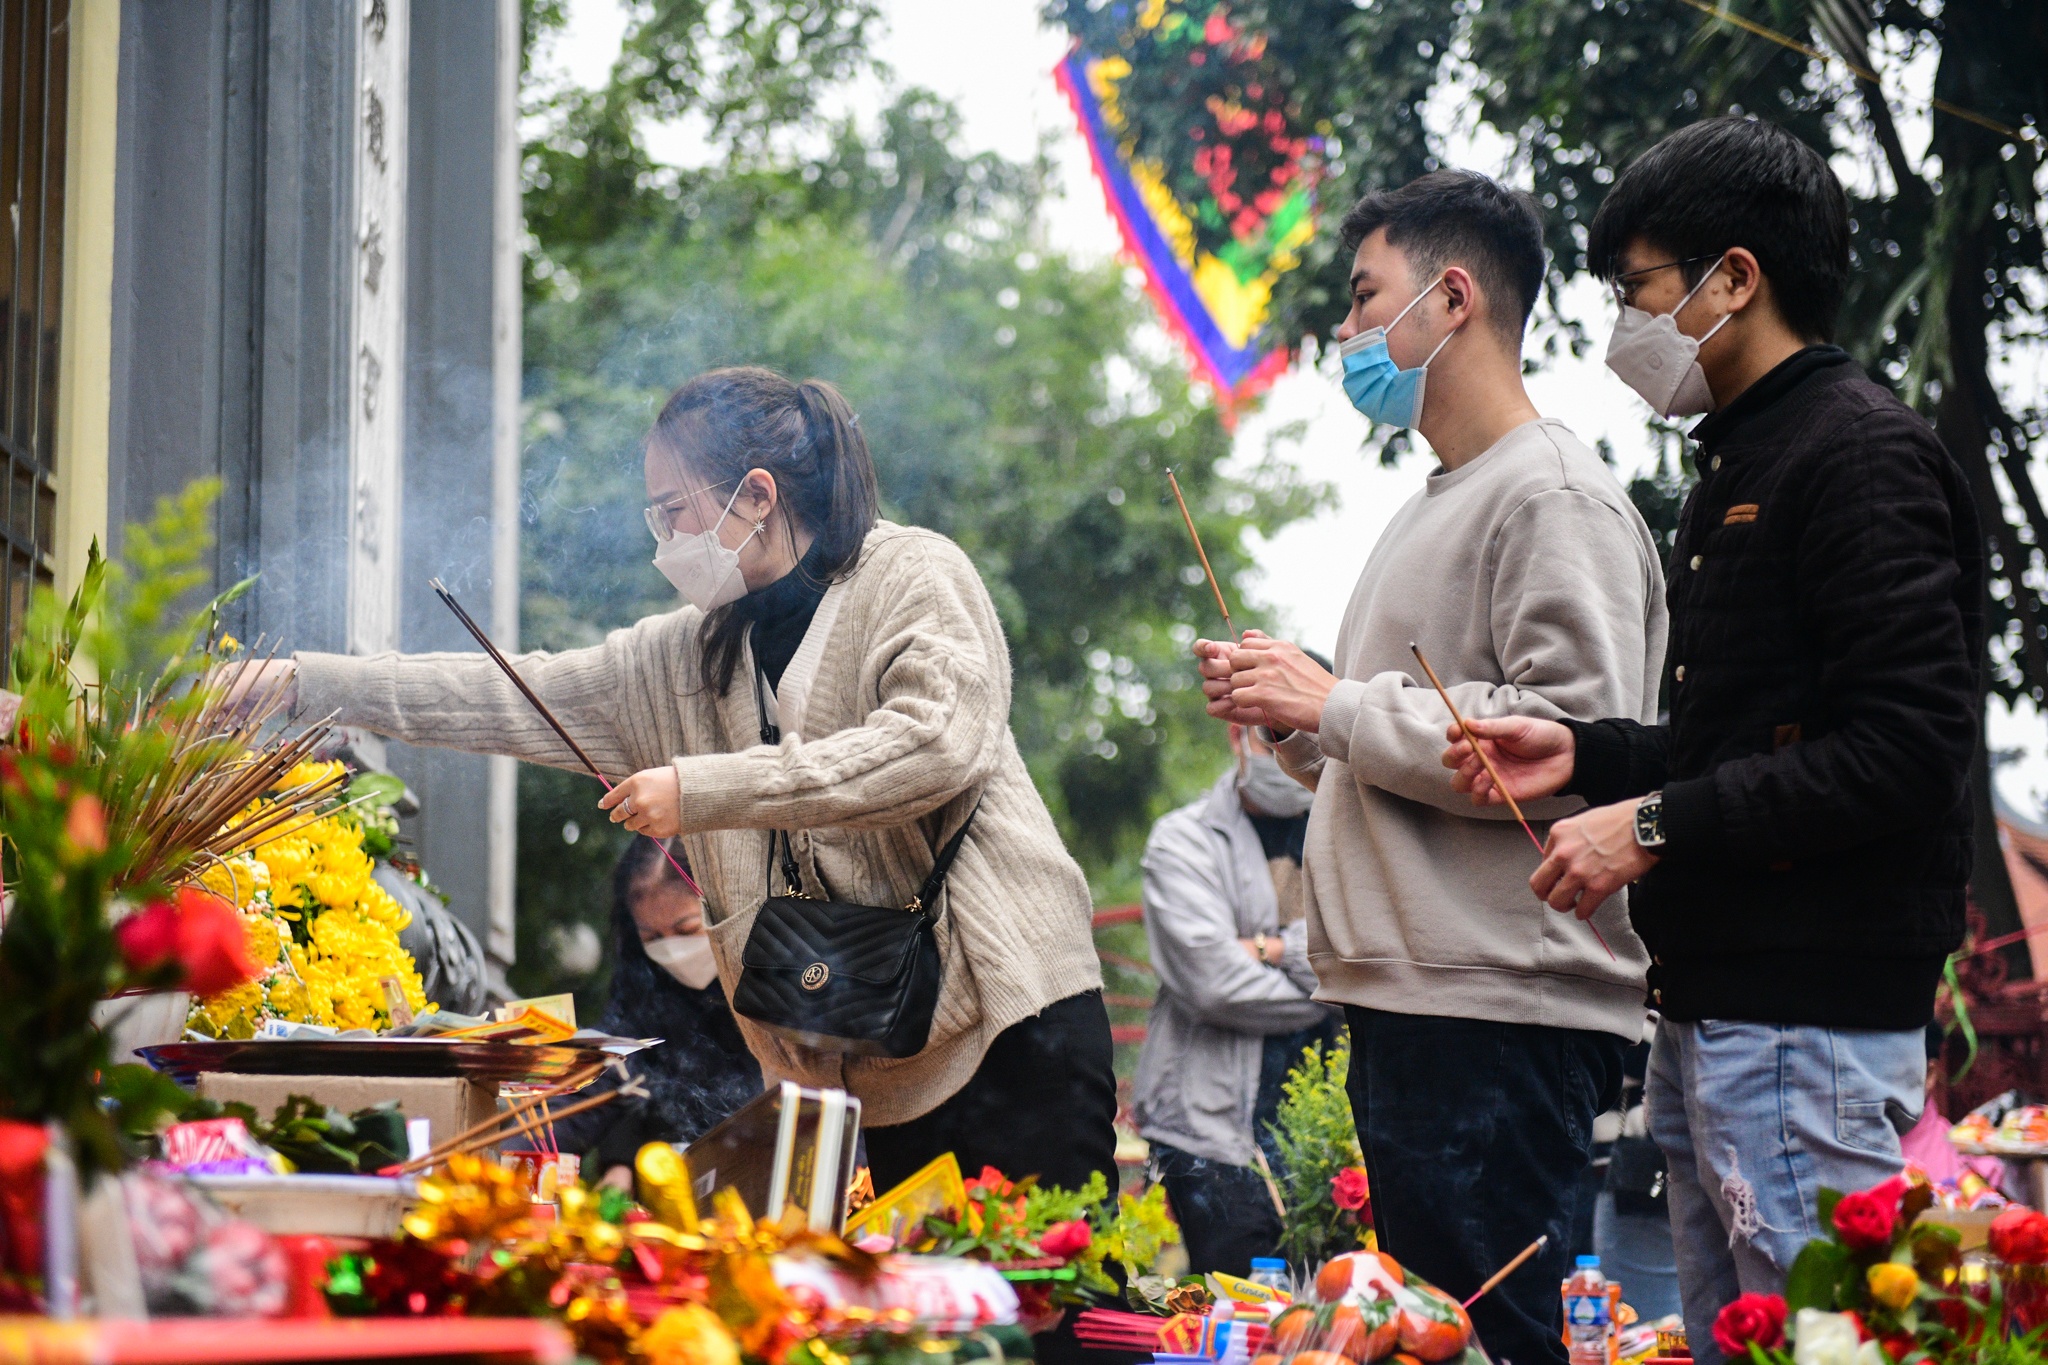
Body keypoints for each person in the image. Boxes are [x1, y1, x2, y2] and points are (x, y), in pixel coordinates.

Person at [232, 367, 1117, 1202]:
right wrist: (298, 682)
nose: (664, 541)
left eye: (674, 510)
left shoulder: (913, 575)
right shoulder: (684, 653)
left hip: (1014, 1023)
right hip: (871, 1058)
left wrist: (700, 790)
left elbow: (933, 746)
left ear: (758, 496)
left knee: (1051, 1313)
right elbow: (506, 690)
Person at [1441, 117, 1982, 1365]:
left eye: (1634, 286)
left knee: (1816, 1344)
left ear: (1730, 279)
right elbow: (1735, 744)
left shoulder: (1856, 456)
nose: (1621, 324)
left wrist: (1646, 825)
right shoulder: (1741, 458)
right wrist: (1581, 753)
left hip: (1806, 1018)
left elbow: (1901, 751)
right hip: (1715, 1007)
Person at [1197, 169, 1668, 1365]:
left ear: (1451, 297)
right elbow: (1400, 754)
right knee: (1420, 1342)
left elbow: (1572, 747)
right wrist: (1301, 724)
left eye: (1363, 300)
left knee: (1486, 1342)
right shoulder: (1435, 504)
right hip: (1423, 1000)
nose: (1345, 335)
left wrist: (1337, 701)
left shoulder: (1552, 494)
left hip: (1498, 1005)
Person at [1135, 717, 1340, 1277]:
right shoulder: (1182, 840)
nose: (1287, 752)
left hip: (1332, 1145)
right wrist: (1338, 985)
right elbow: (1214, 983)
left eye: (1307, 736)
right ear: (1234, 736)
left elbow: (1383, 952)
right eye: (1270, 735)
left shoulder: (1357, 842)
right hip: (1209, 1135)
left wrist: (1268, 948)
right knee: (1238, 1315)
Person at [549, 837, 763, 1184]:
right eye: (652, 937)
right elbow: (615, 1070)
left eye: (687, 930)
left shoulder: (769, 978)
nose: (672, 952)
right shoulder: (642, 984)